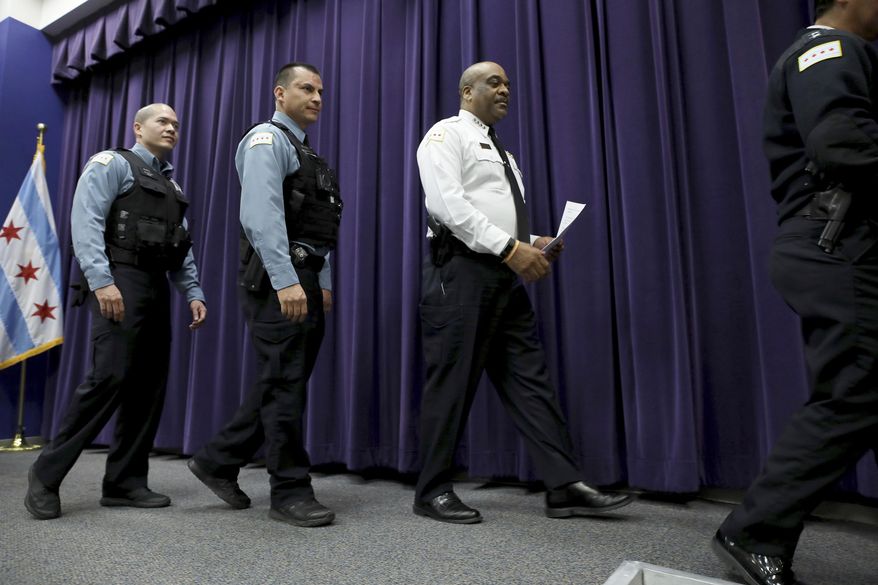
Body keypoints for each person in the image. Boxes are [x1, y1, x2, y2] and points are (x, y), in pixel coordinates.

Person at [412, 61, 632, 524]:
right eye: (494, 82)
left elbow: (496, 213)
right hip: (461, 273)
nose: (505, 89)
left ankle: (563, 484)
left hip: (501, 273)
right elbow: (447, 205)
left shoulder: (504, 153)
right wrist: (510, 248)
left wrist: (530, 241)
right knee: (451, 384)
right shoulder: (445, 135)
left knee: (530, 380)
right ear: (466, 91)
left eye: (509, 83)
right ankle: (431, 491)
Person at [712, 2, 878, 584]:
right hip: (838, 243)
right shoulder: (830, 51)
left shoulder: (836, 53)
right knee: (859, 391)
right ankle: (754, 530)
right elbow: (843, 146)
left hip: (835, 243)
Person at [25, 104, 207, 520]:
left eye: (177, 124)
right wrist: (100, 280)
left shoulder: (172, 187)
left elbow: (181, 247)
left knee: (148, 386)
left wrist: (192, 291)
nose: (171, 128)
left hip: (155, 283)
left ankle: (124, 482)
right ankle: (45, 474)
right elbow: (85, 219)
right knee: (109, 377)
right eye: (163, 121)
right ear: (138, 127)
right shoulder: (112, 164)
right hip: (118, 278)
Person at [187, 63, 341, 528]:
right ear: (279, 93)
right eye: (305, 88)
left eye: (320, 91)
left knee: (280, 381)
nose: (316, 97)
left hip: (306, 277)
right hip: (280, 279)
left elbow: (316, 225)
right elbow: (261, 216)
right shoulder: (266, 141)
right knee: (284, 385)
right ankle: (289, 491)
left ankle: (217, 460)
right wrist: (286, 279)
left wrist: (324, 281)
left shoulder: (306, 153)